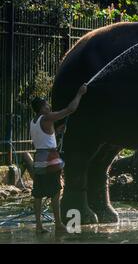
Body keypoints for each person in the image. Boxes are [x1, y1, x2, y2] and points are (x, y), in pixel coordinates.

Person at [30, 83, 87, 233]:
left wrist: (55, 131)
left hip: (39, 158)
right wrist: (80, 94)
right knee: (56, 191)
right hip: (50, 158)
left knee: (38, 193)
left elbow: (44, 135)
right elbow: (70, 109)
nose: (49, 106)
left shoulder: (34, 121)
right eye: (46, 105)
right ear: (42, 108)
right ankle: (58, 224)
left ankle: (38, 226)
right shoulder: (47, 117)